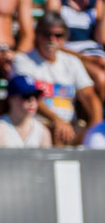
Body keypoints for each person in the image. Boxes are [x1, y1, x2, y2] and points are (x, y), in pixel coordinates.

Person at [11, 12, 102, 145]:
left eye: (58, 35)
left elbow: (89, 96)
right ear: (37, 35)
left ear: (65, 37)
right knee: (55, 133)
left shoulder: (72, 61)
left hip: (70, 126)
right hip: (36, 123)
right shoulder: (23, 60)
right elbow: (29, 97)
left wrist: (95, 125)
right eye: (47, 35)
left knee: (94, 138)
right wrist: (57, 120)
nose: (52, 40)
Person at [45, 0, 105, 101]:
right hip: (70, 54)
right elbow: (51, 39)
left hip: (96, 56)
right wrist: (87, 59)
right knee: (101, 78)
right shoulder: (57, 0)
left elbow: (101, 38)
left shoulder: (95, 2)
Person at [0, 74, 52, 147]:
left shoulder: (43, 132)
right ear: (11, 99)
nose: (32, 101)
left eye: (36, 96)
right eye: (26, 96)